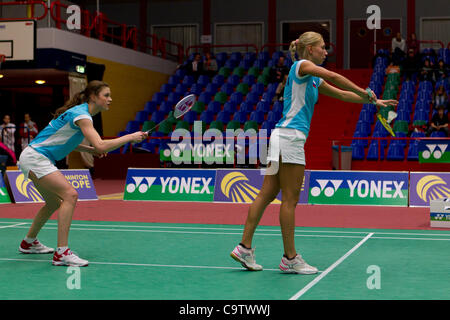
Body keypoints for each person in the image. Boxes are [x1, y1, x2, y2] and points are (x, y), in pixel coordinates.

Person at [230, 32, 398, 274]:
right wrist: (365, 89)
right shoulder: (302, 66)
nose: (326, 52)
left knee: (266, 194)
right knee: (290, 200)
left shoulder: (311, 78)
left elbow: (340, 94)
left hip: (279, 136)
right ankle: (290, 258)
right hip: (291, 139)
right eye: (322, 47)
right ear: (309, 50)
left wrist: (371, 100)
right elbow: (332, 75)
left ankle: (244, 248)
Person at [17, 81, 148, 267]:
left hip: (31, 157)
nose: (110, 99)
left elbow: (65, 140)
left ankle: (28, 242)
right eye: (106, 95)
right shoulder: (82, 115)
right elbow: (101, 144)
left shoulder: (78, 113)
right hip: (37, 158)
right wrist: (131, 137)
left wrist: (90, 150)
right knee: (70, 195)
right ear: (93, 96)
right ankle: (62, 252)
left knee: (54, 202)